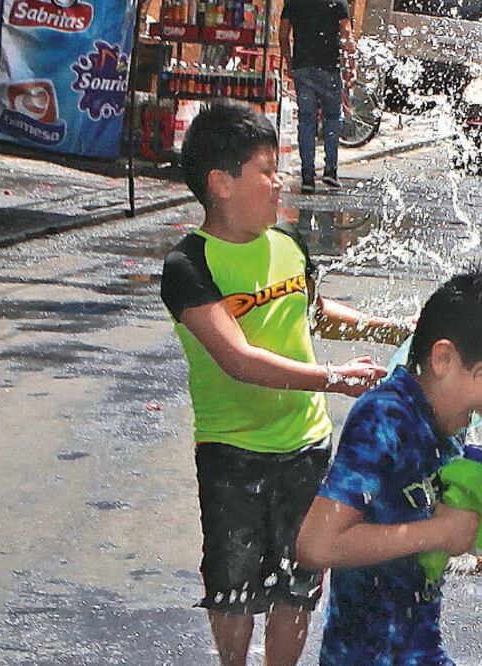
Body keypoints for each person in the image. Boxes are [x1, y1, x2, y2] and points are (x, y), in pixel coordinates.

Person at [160, 100, 411, 666]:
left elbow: (315, 313)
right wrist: (334, 378)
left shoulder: (288, 244)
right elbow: (237, 358)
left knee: (299, 584)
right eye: (267, 170)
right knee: (234, 586)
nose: (280, 183)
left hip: (305, 445)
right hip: (233, 452)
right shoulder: (189, 265)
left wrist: (393, 326)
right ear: (221, 183)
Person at [296, 267, 482, 665]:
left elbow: (430, 549)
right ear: (443, 358)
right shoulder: (385, 418)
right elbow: (317, 545)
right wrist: (437, 530)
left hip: (418, 652)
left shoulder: (443, 429)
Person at [279, 0, 356, 194]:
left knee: (306, 120)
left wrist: (289, 60)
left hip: (302, 68)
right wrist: (351, 60)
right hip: (329, 69)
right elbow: (346, 35)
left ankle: (307, 177)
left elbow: (282, 34)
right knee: (332, 118)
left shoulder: (293, 2)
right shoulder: (338, 2)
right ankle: (330, 170)